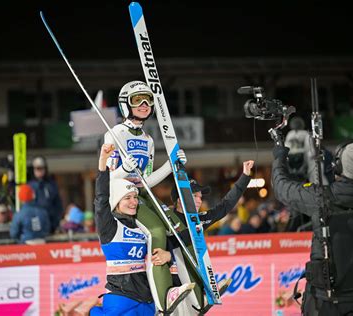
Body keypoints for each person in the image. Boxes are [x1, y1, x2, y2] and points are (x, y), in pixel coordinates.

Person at [104, 80, 192, 313]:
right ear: (125, 105)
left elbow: (146, 180)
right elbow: (108, 177)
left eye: (148, 100)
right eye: (137, 100)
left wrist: (170, 166)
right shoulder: (114, 134)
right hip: (122, 196)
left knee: (179, 225)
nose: (144, 104)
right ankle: (164, 299)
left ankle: (196, 289)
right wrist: (123, 170)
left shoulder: (148, 140)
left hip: (140, 191)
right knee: (155, 231)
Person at [272, 139, 353, 315]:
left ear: (338, 166)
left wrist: (280, 155)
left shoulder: (320, 198)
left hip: (325, 301)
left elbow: (281, 187)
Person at [91, 144, 192, 315]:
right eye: (127, 198)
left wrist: (169, 255)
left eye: (135, 197)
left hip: (147, 299)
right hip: (121, 298)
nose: (133, 202)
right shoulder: (110, 226)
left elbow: (169, 241)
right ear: (116, 201)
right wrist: (103, 162)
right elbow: (101, 199)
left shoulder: (141, 227)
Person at [167, 160, 253, 313]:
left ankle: (203, 295)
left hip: (192, 282)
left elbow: (225, 206)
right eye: (195, 196)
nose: (200, 200)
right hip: (172, 283)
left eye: (200, 196)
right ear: (180, 199)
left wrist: (245, 176)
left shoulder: (198, 219)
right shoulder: (166, 217)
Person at [28, 156, 63, 233]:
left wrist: (56, 221)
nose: (39, 171)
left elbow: (58, 204)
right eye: (37, 168)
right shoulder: (30, 186)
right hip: (35, 225)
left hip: (51, 224)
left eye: (41, 168)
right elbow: (27, 206)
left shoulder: (51, 185)